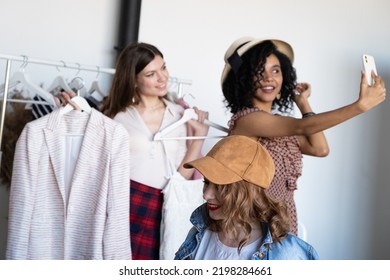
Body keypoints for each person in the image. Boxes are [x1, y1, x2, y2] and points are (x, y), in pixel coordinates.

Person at [221, 37, 386, 235]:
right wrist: (359, 106)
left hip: (282, 218)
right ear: (244, 78)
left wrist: (303, 103)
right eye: (259, 71)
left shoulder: (279, 126)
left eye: (275, 70)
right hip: (254, 223)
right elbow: (302, 126)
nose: (269, 78)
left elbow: (320, 148)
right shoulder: (248, 120)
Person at [99, 42, 210, 260]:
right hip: (125, 203)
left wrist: (198, 141)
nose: (162, 77)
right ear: (133, 79)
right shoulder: (116, 119)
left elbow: (183, 176)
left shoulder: (181, 115)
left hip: (170, 203)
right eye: (151, 73)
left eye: (164, 68)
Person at [174, 135, 319, 260]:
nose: (206, 195)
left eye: (220, 186)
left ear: (251, 191)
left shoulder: (288, 255)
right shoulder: (199, 235)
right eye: (206, 182)